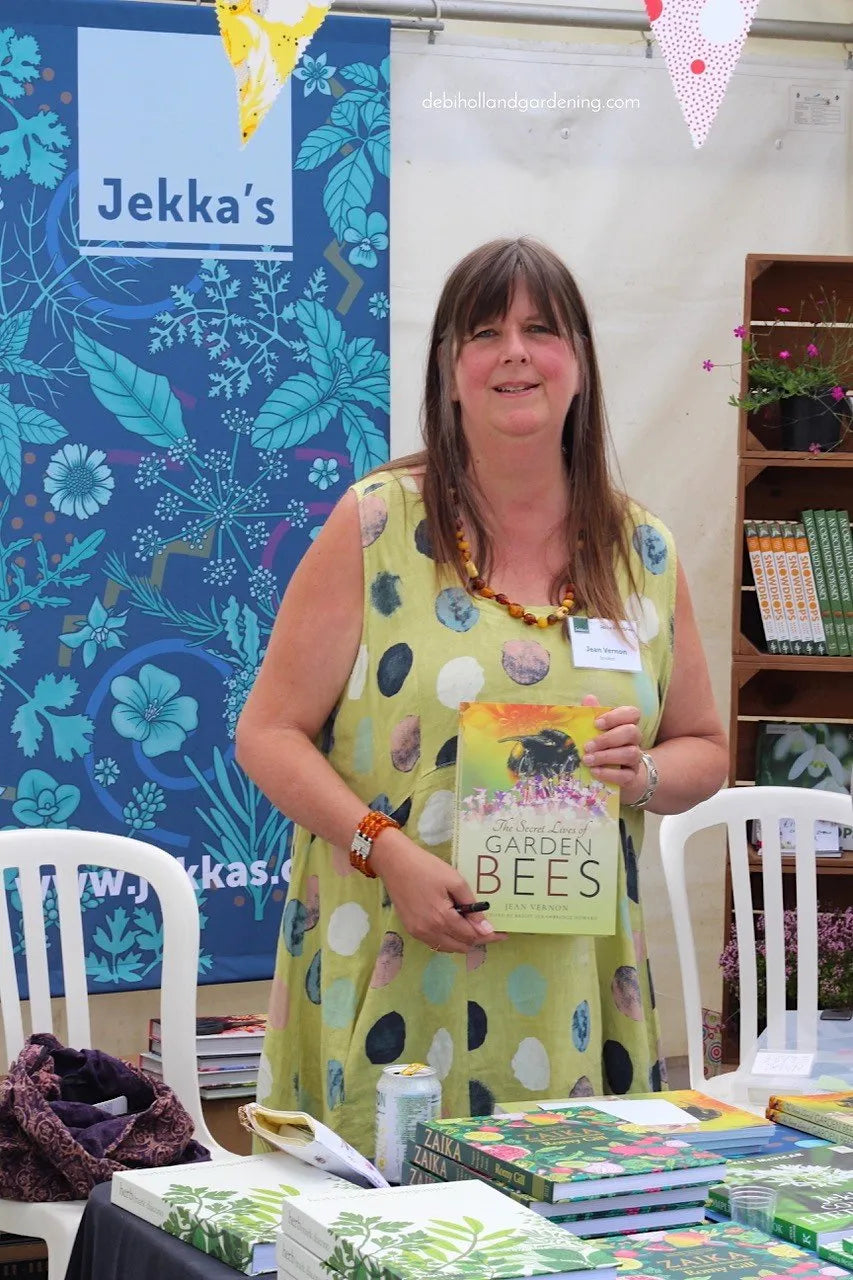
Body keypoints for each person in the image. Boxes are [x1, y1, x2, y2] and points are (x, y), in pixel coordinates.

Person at [235, 237, 728, 1155]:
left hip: (574, 985)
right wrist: (384, 851)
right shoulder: (377, 524)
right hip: (388, 950)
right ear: (447, 371)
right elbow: (267, 734)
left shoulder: (643, 554)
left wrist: (645, 772)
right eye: (484, 331)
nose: (513, 352)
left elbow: (704, 746)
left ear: (577, 365)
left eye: (540, 330)